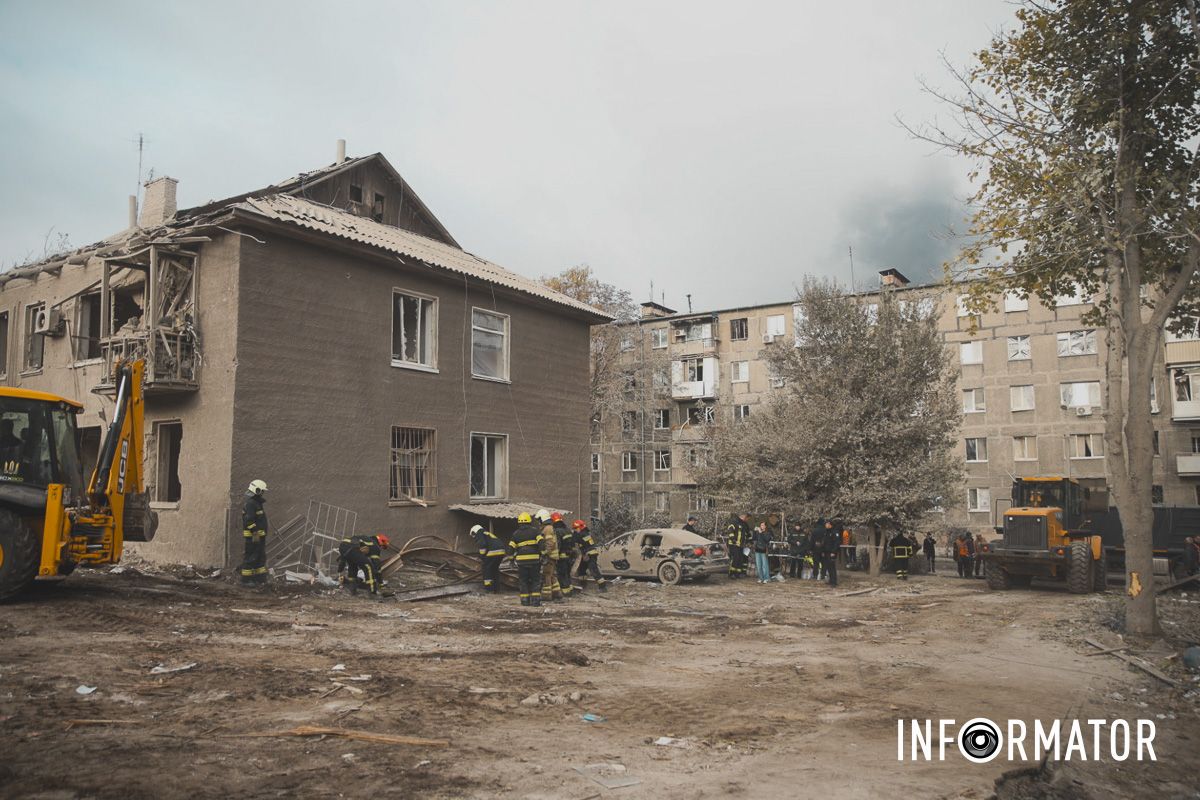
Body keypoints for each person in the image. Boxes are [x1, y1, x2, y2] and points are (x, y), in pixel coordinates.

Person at [507, 512, 544, 606]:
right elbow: (541, 543)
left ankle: (525, 601)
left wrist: (511, 560)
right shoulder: (535, 531)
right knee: (535, 580)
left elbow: (510, 548)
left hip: (522, 562)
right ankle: (535, 601)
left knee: (523, 581)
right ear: (529, 521)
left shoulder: (516, 534)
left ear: (519, 522)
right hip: (534, 560)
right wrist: (544, 555)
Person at [239, 479, 269, 585]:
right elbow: (249, 521)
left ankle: (260, 579)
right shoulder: (251, 504)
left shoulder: (257, 503)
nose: (263, 493)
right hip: (253, 537)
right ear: (257, 490)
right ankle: (246, 580)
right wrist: (255, 533)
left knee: (260, 558)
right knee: (251, 557)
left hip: (259, 536)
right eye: (262, 491)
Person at [572, 519, 609, 591]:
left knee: (593, 570)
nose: (575, 530)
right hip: (587, 554)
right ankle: (583, 584)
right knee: (581, 570)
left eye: (576, 528)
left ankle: (602, 587)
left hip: (589, 554)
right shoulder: (585, 533)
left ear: (580, 527)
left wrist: (573, 534)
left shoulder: (582, 534)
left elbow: (575, 540)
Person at [536, 509, 564, 601]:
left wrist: (545, 554)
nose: (538, 522)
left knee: (546, 575)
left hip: (549, 556)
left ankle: (546, 596)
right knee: (552, 575)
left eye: (539, 520)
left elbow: (549, 543)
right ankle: (557, 594)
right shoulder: (549, 527)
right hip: (553, 556)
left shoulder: (547, 529)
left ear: (542, 519)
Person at [471, 524, 506, 592]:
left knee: (486, 568)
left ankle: (489, 588)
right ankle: (497, 589)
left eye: (473, 535)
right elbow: (488, 545)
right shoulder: (486, 533)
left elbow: (482, 545)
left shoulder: (479, 533)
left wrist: (482, 557)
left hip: (493, 551)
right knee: (494, 569)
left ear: (474, 531)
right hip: (501, 551)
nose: (474, 537)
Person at [552, 512, 578, 597]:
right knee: (567, 574)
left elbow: (558, 545)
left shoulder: (557, 531)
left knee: (562, 575)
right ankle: (570, 590)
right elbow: (573, 542)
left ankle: (566, 592)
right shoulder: (567, 530)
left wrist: (555, 555)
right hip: (570, 556)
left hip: (562, 557)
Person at [726, 513, 751, 579]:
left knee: (740, 559)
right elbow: (730, 531)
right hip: (733, 544)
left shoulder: (744, 524)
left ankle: (737, 573)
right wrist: (733, 540)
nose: (747, 520)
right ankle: (731, 574)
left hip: (741, 545)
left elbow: (747, 534)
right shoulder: (734, 522)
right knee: (735, 558)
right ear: (744, 516)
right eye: (747, 518)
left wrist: (749, 541)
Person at [823, 519, 840, 587]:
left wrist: (833, 552)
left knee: (832, 567)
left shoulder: (835, 532)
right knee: (828, 567)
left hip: (832, 552)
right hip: (826, 552)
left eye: (826, 524)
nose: (825, 525)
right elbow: (825, 542)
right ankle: (831, 580)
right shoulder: (826, 532)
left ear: (830, 524)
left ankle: (834, 582)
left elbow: (836, 543)